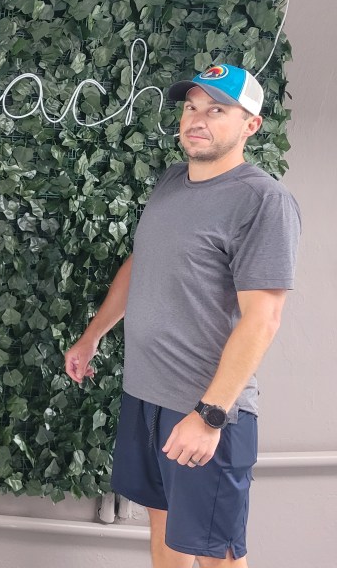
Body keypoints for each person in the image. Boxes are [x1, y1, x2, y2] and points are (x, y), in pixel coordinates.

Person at [64, 64, 300, 567]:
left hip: (207, 411)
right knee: (166, 536)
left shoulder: (262, 201)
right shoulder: (172, 182)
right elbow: (140, 262)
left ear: (250, 125)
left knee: (216, 554)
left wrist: (210, 415)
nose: (198, 119)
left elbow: (263, 319)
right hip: (145, 396)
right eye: (192, 107)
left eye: (217, 110)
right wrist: (92, 337)